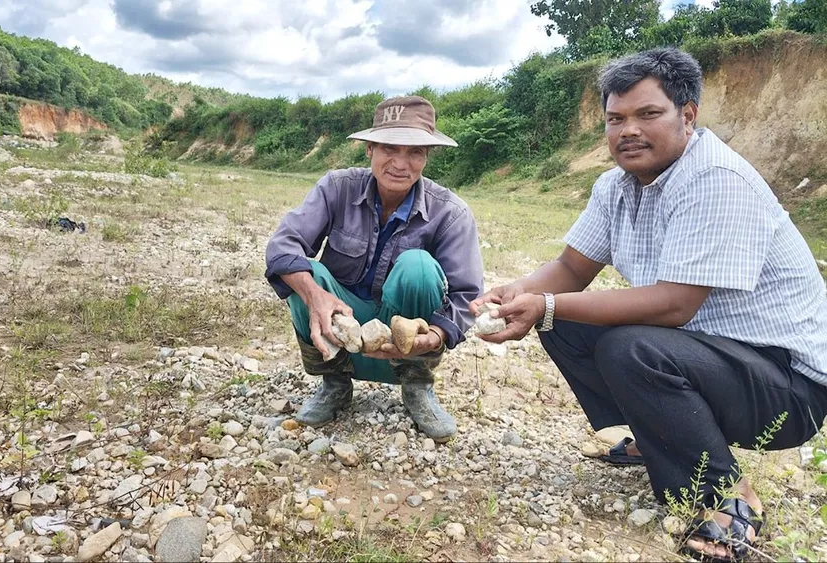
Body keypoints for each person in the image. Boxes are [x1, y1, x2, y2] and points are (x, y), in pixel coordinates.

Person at [470, 47, 827, 562]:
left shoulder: (715, 180)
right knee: (561, 319)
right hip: (712, 356)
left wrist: (547, 302)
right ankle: (661, 435)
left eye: (647, 114)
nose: (627, 131)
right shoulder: (615, 185)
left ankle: (725, 497)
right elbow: (571, 270)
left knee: (626, 345)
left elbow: (673, 306)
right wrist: (521, 291)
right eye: (615, 119)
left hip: (787, 385)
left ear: (688, 115)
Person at [264, 95, 484, 443]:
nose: (401, 163)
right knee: (304, 274)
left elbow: (467, 295)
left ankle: (416, 388)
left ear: (427, 156)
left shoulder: (450, 213)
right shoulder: (336, 188)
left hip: (407, 348)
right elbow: (282, 245)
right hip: (340, 339)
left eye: (415, 152)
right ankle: (334, 384)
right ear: (369, 149)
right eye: (389, 149)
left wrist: (437, 336)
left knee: (419, 267)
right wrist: (314, 295)